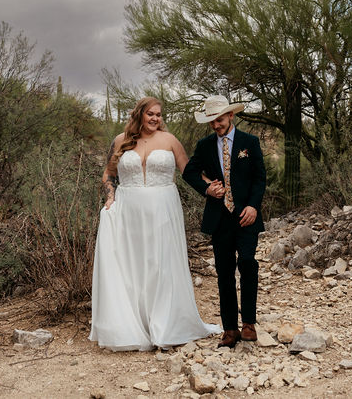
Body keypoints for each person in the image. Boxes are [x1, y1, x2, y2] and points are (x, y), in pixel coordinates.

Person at [89, 97, 220, 351]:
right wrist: (110, 194)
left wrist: (209, 187)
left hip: (163, 208)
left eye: (159, 115)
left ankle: (165, 325)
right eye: (150, 114)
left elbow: (188, 171)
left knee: (161, 264)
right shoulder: (120, 140)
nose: (155, 119)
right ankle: (136, 325)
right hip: (129, 209)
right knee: (133, 265)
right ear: (139, 114)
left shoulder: (170, 141)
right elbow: (109, 173)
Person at [182, 95, 267, 348]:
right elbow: (189, 172)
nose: (216, 126)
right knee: (224, 273)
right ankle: (230, 329)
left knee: (249, 263)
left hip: (246, 216)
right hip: (220, 219)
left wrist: (253, 206)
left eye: (219, 120)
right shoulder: (205, 145)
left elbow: (259, 178)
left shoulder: (249, 142)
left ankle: (249, 324)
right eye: (211, 122)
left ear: (230, 116)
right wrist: (207, 188)